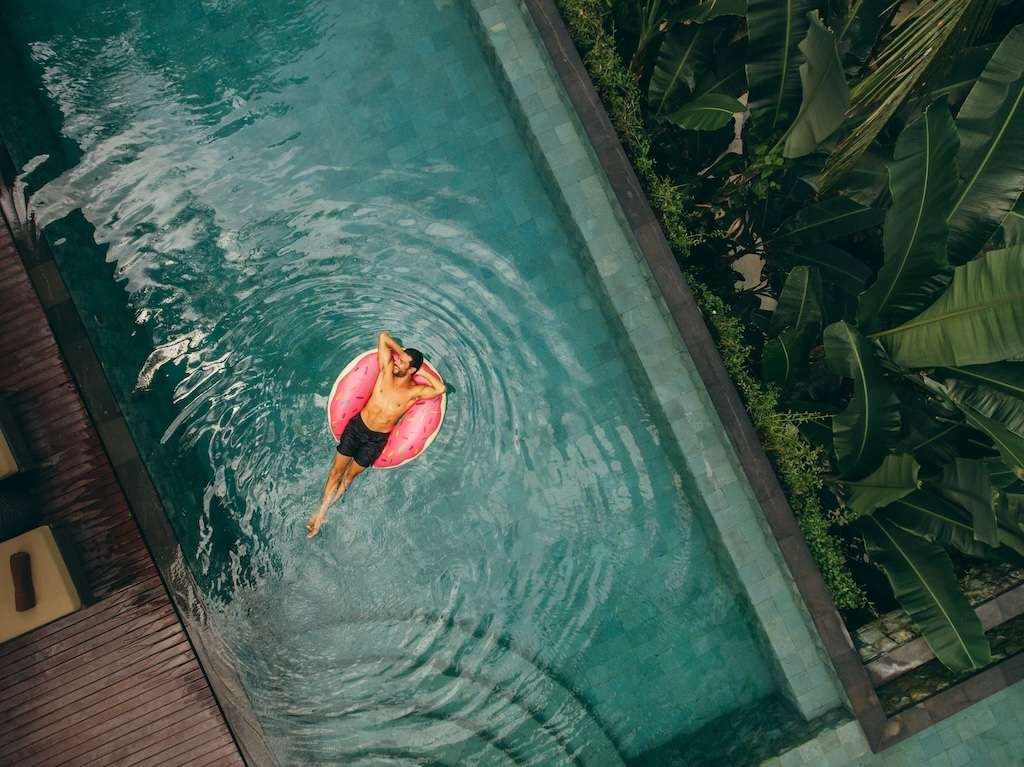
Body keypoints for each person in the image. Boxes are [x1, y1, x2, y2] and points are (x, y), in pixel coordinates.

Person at [306, 331, 445, 538]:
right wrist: (401, 353)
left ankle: (322, 513)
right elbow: (383, 337)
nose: (397, 361)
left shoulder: (413, 392)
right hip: (357, 428)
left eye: (403, 362)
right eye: (398, 358)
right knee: (335, 472)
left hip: (376, 440)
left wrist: (422, 372)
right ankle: (320, 514)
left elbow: (440, 388)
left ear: (412, 369)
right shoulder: (386, 370)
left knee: (348, 478)